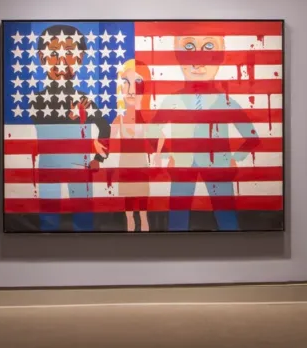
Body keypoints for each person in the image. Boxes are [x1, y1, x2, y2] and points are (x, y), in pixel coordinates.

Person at [153, 35, 259, 232]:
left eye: (209, 48)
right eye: (189, 49)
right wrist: (168, 154)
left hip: (219, 166)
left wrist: (235, 158)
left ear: (220, 59)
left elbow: (252, 137)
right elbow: (151, 131)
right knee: (177, 220)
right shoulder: (171, 101)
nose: (198, 64)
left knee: (227, 217)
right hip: (182, 167)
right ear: (178, 57)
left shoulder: (226, 103)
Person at [27, 25, 110, 232]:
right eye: (54, 53)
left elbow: (104, 127)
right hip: (48, 167)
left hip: (78, 167)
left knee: (83, 220)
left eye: (70, 53)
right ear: (41, 57)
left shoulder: (84, 100)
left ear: (80, 58)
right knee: (48, 221)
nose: (62, 61)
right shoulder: (36, 101)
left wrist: (98, 158)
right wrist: (71, 115)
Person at [108, 59, 161, 232]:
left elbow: (160, 137)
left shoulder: (145, 121)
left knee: (143, 205)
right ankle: (131, 224)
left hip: (141, 166)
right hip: (126, 167)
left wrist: (158, 154)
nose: (131, 90)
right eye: (126, 83)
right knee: (129, 204)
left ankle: (143, 223)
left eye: (137, 83)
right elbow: (106, 141)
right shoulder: (119, 120)